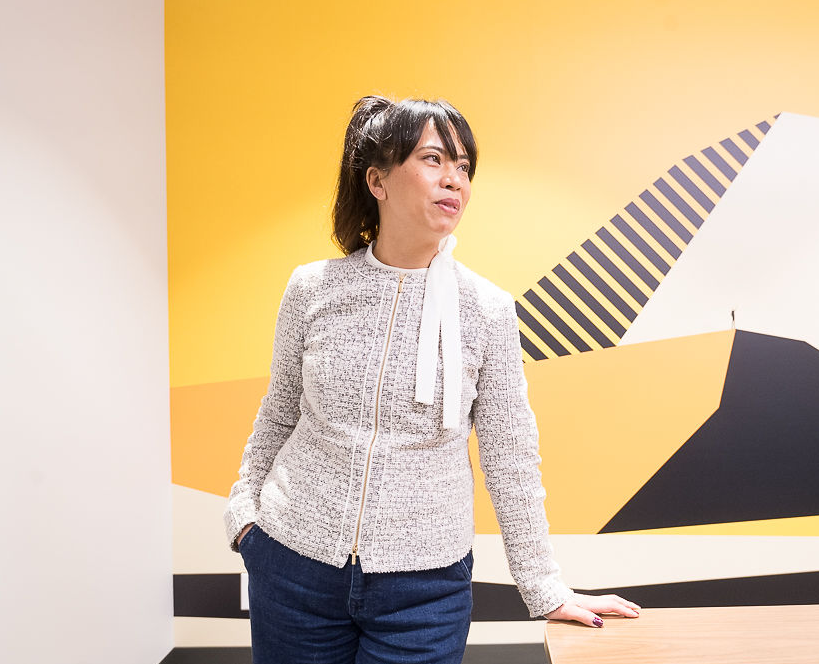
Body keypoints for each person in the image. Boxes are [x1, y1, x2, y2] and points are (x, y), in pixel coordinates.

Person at [224, 95, 640, 664]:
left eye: (464, 167)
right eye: (433, 159)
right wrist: (244, 516)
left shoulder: (487, 310)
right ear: (378, 180)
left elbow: (509, 456)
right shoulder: (313, 289)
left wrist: (543, 587)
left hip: (422, 589)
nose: (455, 180)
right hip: (292, 565)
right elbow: (278, 413)